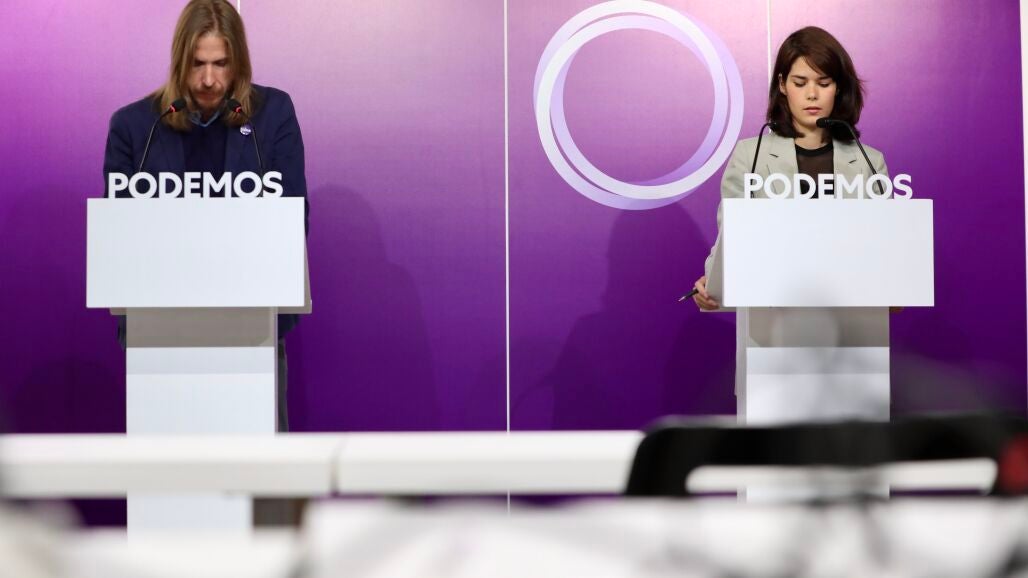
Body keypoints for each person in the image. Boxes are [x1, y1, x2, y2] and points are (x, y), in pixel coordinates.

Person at [102, 0, 307, 432]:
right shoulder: (136, 127)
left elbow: (293, 217)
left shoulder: (272, 115)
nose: (209, 79)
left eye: (221, 64)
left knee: (258, 469)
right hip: (158, 343)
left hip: (253, 334)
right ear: (180, 60)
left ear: (239, 63)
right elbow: (119, 238)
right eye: (197, 64)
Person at [693, 26, 887, 311]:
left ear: (838, 87)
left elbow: (884, 249)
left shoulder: (869, 161)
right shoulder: (750, 156)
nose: (812, 94)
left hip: (849, 321)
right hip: (774, 322)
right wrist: (714, 286)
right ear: (783, 85)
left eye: (824, 83)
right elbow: (731, 238)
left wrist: (894, 289)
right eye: (800, 82)